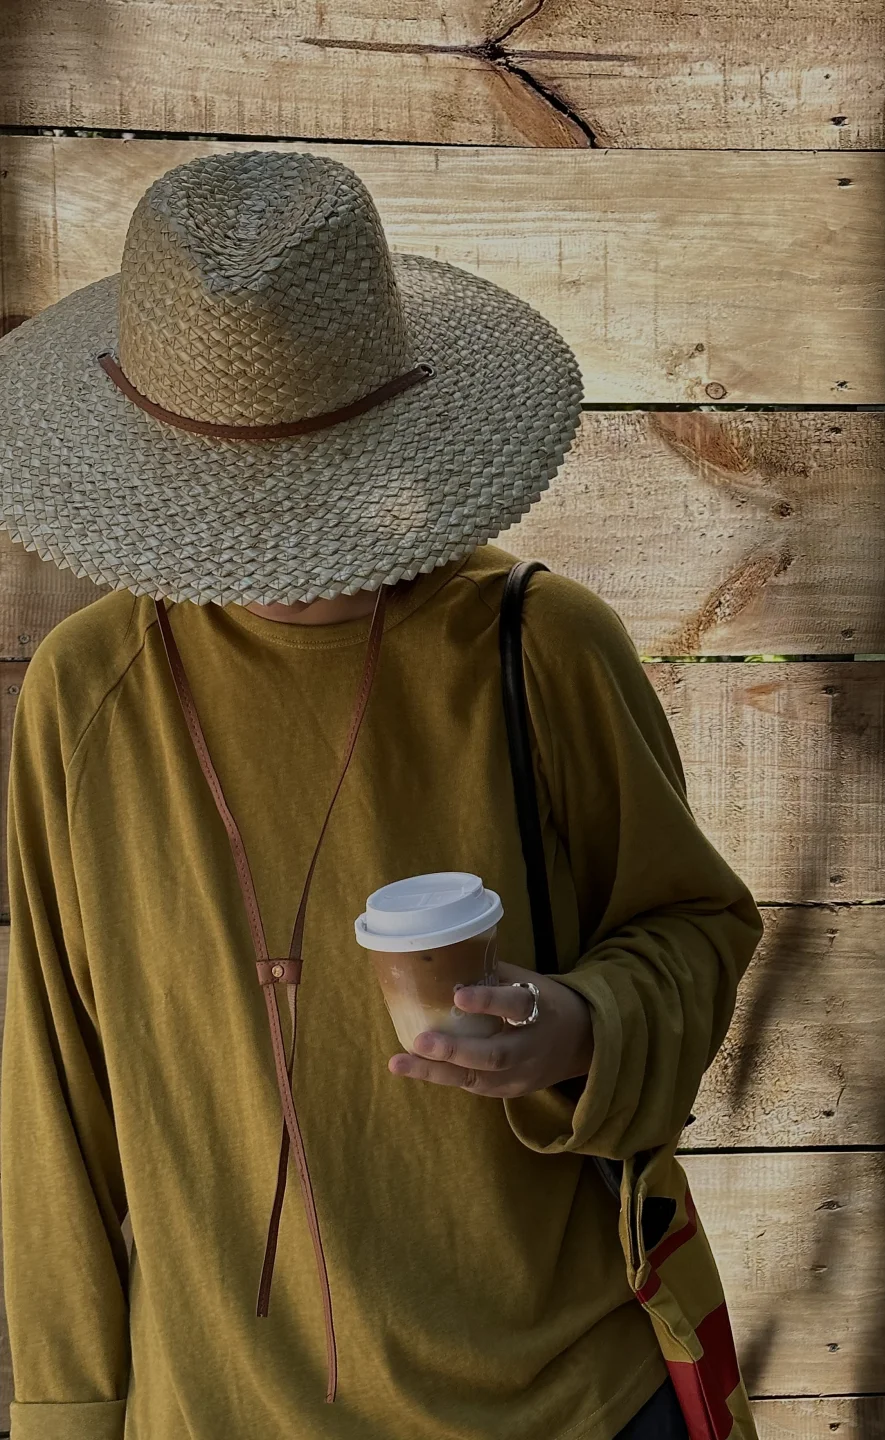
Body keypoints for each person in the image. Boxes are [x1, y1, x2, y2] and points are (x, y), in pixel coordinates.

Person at [0, 150, 763, 1440]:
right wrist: (69, 1411)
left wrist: (577, 1025)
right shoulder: (87, 694)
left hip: (566, 1399)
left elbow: (696, 930)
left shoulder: (540, 645)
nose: (273, 541)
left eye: (310, 482)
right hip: (222, 1409)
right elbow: (52, 1078)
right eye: (224, 491)